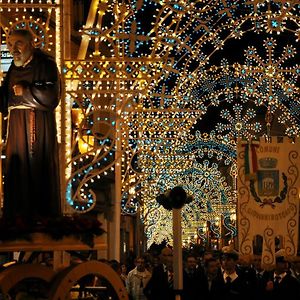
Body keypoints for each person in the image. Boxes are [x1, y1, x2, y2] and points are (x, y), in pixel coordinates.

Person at [0, 29, 61, 220]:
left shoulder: (46, 64)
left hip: (37, 125)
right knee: (17, 168)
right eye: (10, 44)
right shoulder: (13, 67)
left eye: (18, 43)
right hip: (16, 126)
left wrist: (27, 91)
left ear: (31, 43)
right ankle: (17, 214)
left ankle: (39, 214)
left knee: (36, 167)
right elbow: (5, 97)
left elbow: (52, 94)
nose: (13, 49)